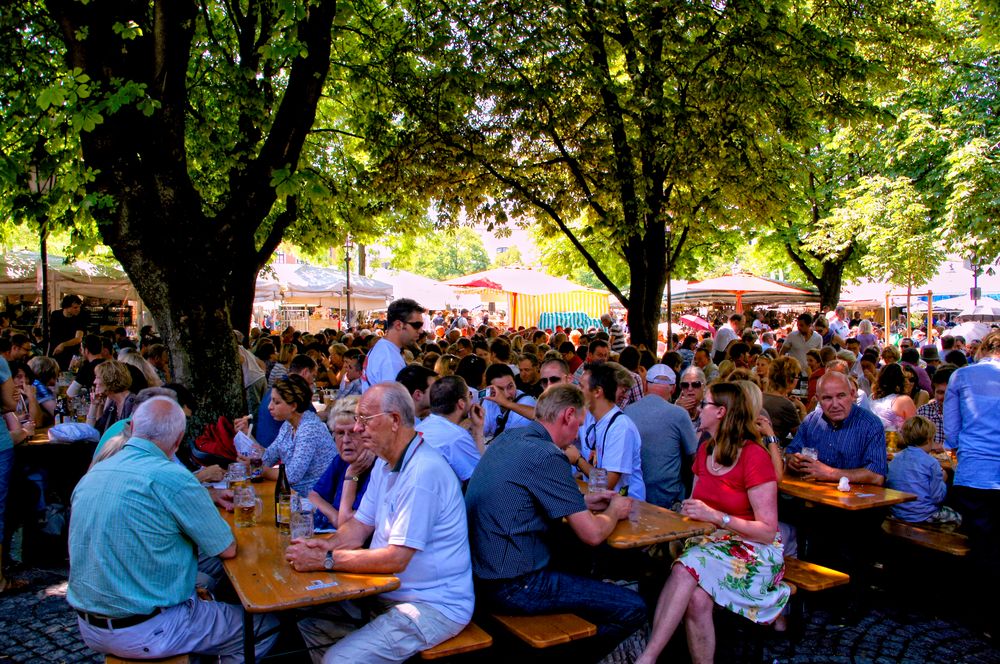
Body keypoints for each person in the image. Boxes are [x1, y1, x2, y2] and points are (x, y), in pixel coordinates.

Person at [68, 397, 278, 661]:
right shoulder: (172, 477)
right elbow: (227, 547)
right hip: (148, 627)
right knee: (263, 626)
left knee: (209, 571)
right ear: (178, 440)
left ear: (132, 427)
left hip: (89, 625)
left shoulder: (94, 474)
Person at [288, 382, 474, 662]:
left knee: (339, 660)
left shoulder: (423, 472)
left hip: (432, 606)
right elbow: (359, 525)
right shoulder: (386, 464)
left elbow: (396, 559)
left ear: (395, 421)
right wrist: (323, 546)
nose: (358, 428)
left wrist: (326, 559)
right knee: (311, 624)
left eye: (365, 420)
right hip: (388, 594)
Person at [465, 384, 646, 650]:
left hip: (480, 577)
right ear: (568, 415)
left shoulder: (509, 439)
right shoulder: (547, 454)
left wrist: (581, 502)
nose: (577, 437)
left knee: (577, 562)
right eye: (579, 425)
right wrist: (613, 511)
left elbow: (523, 497)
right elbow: (593, 534)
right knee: (633, 607)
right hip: (514, 586)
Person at [636, 383, 790, 664]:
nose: (698, 409)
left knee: (686, 567)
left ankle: (648, 657)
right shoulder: (706, 450)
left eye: (704, 404)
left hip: (753, 550)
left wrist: (719, 517)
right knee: (696, 599)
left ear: (720, 412)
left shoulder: (754, 456)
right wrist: (691, 512)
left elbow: (768, 531)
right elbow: (697, 504)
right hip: (710, 543)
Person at [943, 329, 1000, 637]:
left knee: (981, 544)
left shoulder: (962, 377)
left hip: (975, 472)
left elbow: (951, 432)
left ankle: (981, 614)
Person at [785, 372, 888, 485]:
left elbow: (877, 476)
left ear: (852, 394)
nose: (835, 404)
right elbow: (791, 453)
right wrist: (792, 460)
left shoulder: (870, 425)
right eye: (827, 398)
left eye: (841, 396)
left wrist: (830, 473)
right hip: (810, 496)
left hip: (853, 500)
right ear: (818, 399)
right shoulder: (811, 421)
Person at [242, 375, 335, 495]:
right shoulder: (288, 425)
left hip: (317, 500)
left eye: (277, 402)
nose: (270, 406)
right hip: (296, 496)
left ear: (293, 406)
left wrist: (260, 470)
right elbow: (269, 457)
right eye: (271, 400)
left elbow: (292, 475)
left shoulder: (310, 428)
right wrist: (251, 458)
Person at [565, 362, 645, 500]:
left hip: (631, 509)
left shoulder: (621, 427)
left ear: (597, 392)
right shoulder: (598, 420)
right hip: (608, 504)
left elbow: (607, 483)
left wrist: (578, 460)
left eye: (582, 386)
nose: (577, 390)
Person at [625, 364, 698, 508]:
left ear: (645, 385)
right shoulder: (679, 414)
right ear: (673, 388)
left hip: (632, 494)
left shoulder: (627, 411)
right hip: (668, 498)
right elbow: (695, 455)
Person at [309, 396, 375, 531]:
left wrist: (352, 476)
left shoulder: (377, 468)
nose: (345, 440)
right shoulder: (341, 460)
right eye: (340, 433)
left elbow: (348, 526)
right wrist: (334, 516)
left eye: (352, 432)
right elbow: (314, 496)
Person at [887, 416, 961, 525]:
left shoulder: (895, 460)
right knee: (959, 517)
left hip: (897, 513)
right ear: (928, 439)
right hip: (923, 515)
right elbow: (938, 497)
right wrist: (943, 480)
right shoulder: (931, 463)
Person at [417, 376, 486, 486]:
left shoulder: (421, 426)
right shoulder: (456, 437)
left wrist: (477, 427)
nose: (472, 400)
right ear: (461, 403)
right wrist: (478, 431)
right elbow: (481, 477)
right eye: (469, 395)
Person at [361, 298, 425, 393]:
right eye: (417, 325)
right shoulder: (390, 360)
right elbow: (394, 405)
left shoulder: (382, 347)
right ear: (398, 325)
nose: (421, 331)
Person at [254, 354, 317, 447]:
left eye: (276, 402)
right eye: (313, 376)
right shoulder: (292, 392)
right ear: (305, 372)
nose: (269, 407)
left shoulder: (279, 386)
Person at [481, 364, 536, 440]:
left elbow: (510, 441)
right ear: (490, 389)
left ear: (515, 383)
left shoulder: (526, 402)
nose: (507, 394)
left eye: (510, 386)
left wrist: (505, 403)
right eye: (500, 389)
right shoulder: (489, 400)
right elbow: (481, 432)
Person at [86, 360, 138, 436]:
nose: (94, 382)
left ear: (110, 379)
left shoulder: (133, 404)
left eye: (98, 378)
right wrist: (94, 405)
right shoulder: (113, 403)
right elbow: (90, 432)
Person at [763, 356, 804, 442]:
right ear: (789, 379)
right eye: (797, 377)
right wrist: (802, 409)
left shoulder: (760, 396)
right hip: (773, 449)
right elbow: (801, 435)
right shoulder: (785, 404)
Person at [870, 363, 917, 434]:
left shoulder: (871, 397)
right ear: (902, 380)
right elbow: (913, 430)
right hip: (893, 443)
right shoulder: (904, 400)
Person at [916, 366, 952, 451]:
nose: (944, 397)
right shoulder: (923, 412)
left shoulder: (966, 414)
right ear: (934, 392)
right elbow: (915, 443)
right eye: (940, 392)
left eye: (949, 393)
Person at [48, 294, 87, 370]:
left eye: (79, 307)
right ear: (66, 307)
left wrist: (63, 345)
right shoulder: (55, 315)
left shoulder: (81, 317)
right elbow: (52, 334)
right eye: (75, 307)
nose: (78, 309)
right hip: (56, 350)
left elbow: (78, 338)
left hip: (72, 353)